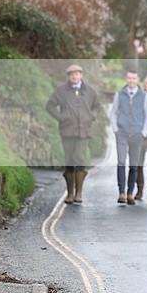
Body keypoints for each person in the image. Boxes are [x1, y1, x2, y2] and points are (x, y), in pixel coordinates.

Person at [45, 64, 102, 203]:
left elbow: (97, 106)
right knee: (69, 161)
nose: (74, 76)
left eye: (76, 74)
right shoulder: (61, 91)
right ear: (69, 77)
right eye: (71, 75)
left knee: (79, 158)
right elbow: (50, 106)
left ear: (81, 75)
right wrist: (61, 117)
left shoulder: (89, 91)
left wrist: (92, 116)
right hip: (67, 131)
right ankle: (70, 194)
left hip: (84, 131)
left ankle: (79, 193)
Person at [109, 70, 147, 204]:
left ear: (138, 79)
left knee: (134, 165)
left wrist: (143, 133)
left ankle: (130, 193)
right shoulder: (119, 94)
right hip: (122, 133)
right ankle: (121, 192)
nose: (131, 81)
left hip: (137, 134)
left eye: (134, 78)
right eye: (129, 78)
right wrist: (116, 129)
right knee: (121, 162)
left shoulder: (144, 96)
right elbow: (113, 113)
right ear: (126, 79)